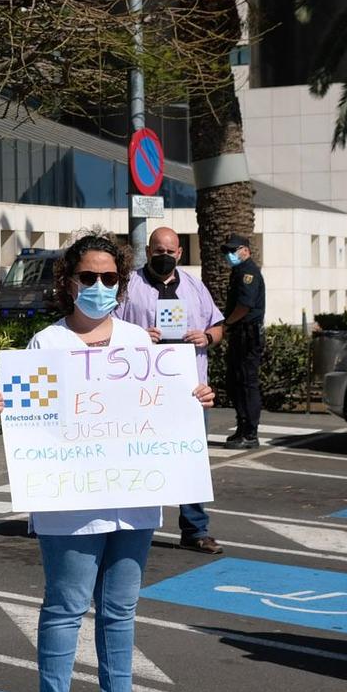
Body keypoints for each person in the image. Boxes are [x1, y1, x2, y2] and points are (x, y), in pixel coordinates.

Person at [0, 233, 214, 692]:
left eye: (109, 278)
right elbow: (34, 417)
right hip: (70, 502)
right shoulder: (47, 344)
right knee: (65, 606)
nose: (98, 286)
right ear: (69, 282)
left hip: (134, 498)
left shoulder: (140, 344)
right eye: (87, 277)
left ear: (121, 281)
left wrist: (194, 396)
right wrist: (10, 410)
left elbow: (163, 407)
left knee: (120, 609)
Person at [116, 228, 226, 554]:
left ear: (179, 253)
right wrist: (136, 336)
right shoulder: (129, 287)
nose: (164, 256)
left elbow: (217, 326)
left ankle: (195, 530)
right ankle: (136, 526)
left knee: (191, 460)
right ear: (148, 252)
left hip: (190, 390)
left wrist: (207, 337)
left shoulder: (194, 287)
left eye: (170, 251)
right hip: (142, 389)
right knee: (140, 455)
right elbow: (108, 329)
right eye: (157, 250)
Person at [219, 234, 266, 450]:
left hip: (248, 334)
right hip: (241, 333)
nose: (229, 255)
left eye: (233, 250)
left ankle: (250, 433)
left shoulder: (248, 272)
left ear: (245, 250)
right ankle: (242, 428)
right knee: (235, 382)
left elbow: (244, 306)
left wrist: (226, 324)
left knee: (247, 383)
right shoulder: (239, 271)